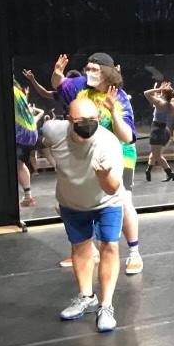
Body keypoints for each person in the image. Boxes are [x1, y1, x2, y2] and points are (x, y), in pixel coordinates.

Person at [53, 53, 144, 274]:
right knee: (69, 202)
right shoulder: (80, 86)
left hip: (120, 153)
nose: (90, 73)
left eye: (95, 70)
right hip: (89, 154)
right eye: (88, 68)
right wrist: (57, 73)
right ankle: (88, 250)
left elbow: (127, 138)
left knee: (123, 201)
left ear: (107, 73)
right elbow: (59, 85)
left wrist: (113, 111)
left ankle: (134, 252)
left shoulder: (119, 97)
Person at [49, 97, 125, 332]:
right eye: (81, 120)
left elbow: (113, 188)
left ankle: (106, 305)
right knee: (80, 247)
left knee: (109, 247)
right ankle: (86, 296)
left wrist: (103, 177)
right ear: (69, 120)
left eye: (93, 119)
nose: (88, 124)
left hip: (106, 202)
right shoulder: (53, 131)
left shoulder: (108, 143)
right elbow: (39, 138)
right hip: (72, 202)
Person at [143, 82, 174, 182]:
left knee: (157, 156)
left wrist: (158, 89)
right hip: (164, 130)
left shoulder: (159, 103)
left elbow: (146, 93)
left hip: (157, 130)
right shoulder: (172, 104)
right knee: (155, 154)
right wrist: (171, 91)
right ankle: (150, 171)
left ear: (163, 93)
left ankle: (170, 173)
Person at [13, 79, 40, 207]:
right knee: (19, 164)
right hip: (30, 132)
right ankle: (28, 197)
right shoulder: (19, 92)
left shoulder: (9, 91)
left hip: (20, 132)